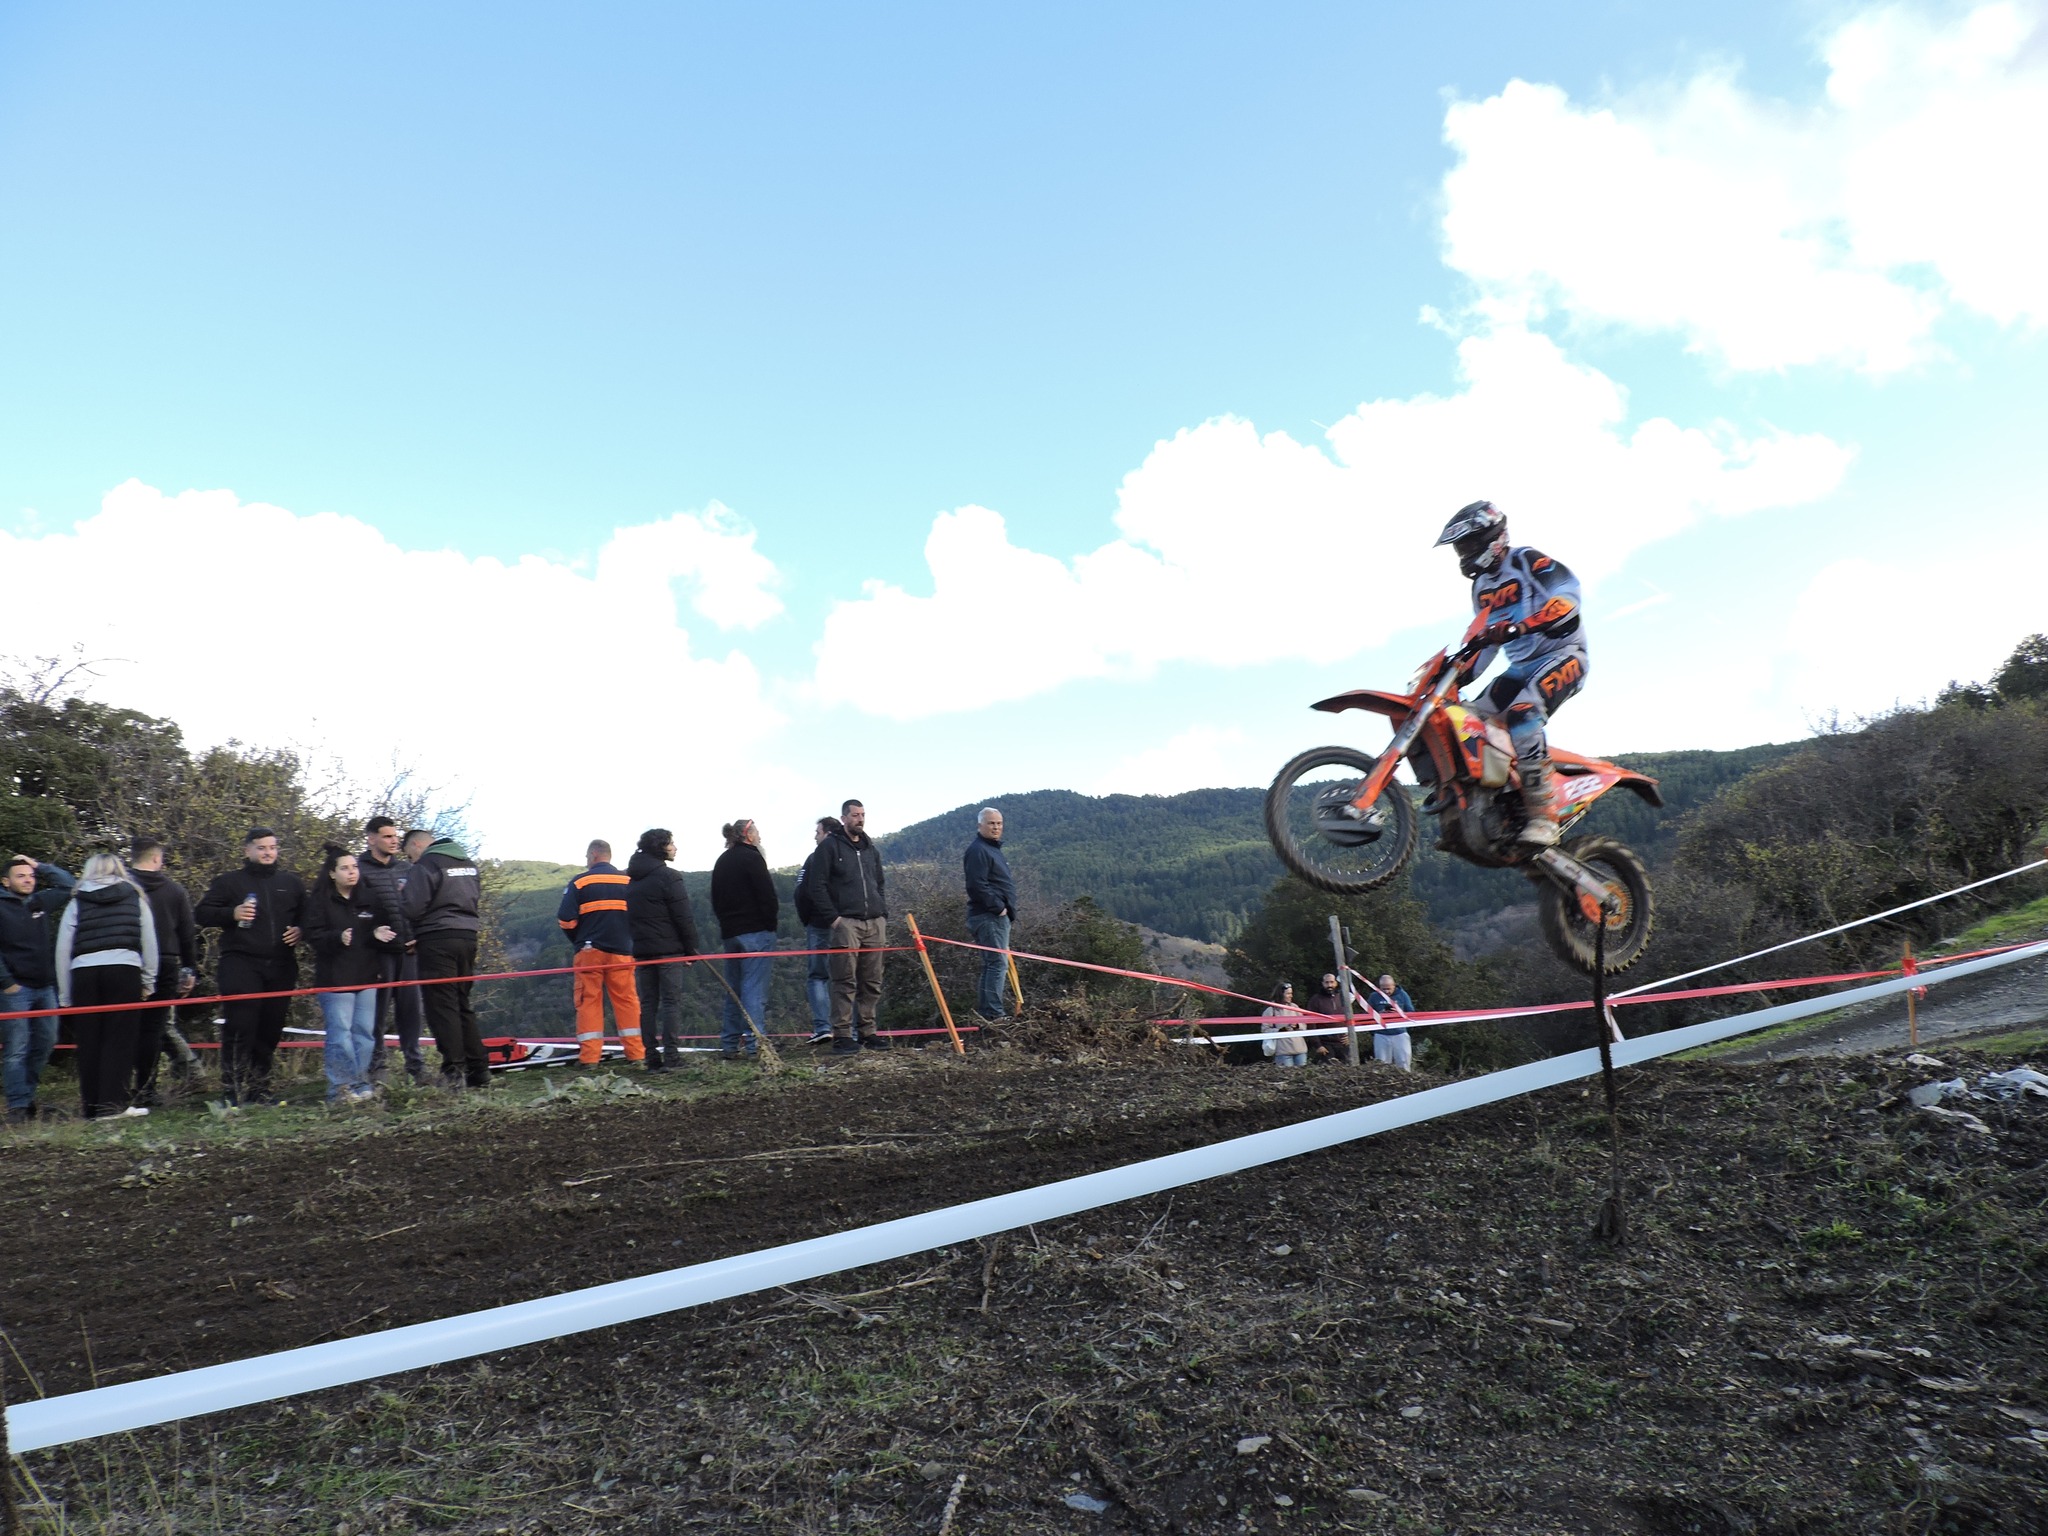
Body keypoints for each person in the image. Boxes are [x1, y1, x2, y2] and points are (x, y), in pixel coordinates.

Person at [1436, 500, 1586, 846]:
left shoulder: (1527, 560)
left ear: (1493, 538)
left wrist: (1520, 627)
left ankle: (1543, 814)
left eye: (1468, 544)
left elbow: (1568, 599)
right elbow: (1486, 644)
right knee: (1463, 721)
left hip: (1564, 655)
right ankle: (1489, 806)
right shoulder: (1481, 587)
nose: (1464, 554)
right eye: (1460, 548)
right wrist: (1453, 675)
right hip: (1520, 670)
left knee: (1523, 714)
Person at [195, 827, 306, 1105]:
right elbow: (202, 913)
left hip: (281, 964)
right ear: (247, 850)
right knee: (241, 1024)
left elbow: (310, 915)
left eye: (272, 847)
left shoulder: (291, 882)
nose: (268, 853)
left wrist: (301, 930)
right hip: (241, 961)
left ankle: (259, 1089)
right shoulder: (229, 882)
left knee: (271, 1027)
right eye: (261, 847)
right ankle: (232, 1090)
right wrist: (231, 913)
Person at [54, 852, 159, 1119]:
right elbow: (149, 941)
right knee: (120, 1038)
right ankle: (112, 1105)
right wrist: (148, 980)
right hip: (124, 969)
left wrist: (65, 994)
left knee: (89, 1040)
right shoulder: (134, 896)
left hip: (84, 972)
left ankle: (91, 1107)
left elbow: (63, 948)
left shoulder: (77, 900)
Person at [302, 844, 402, 1101]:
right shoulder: (319, 901)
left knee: (365, 1034)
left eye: (354, 867)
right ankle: (340, 1088)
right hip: (335, 979)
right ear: (332, 873)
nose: (352, 872)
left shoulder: (369, 898)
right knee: (341, 1035)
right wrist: (337, 937)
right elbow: (312, 936)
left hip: (367, 976)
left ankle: (360, 1083)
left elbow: (382, 928)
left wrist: (378, 933)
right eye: (345, 868)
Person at [401, 829, 489, 1089]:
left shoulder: (427, 864)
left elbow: (412, 907)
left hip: (436, 940)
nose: (411, 861)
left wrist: (404, 893)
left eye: (409, 855)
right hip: (468, 937)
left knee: (442, 1006)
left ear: (417, 845)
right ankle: (479, 1071)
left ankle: (453, 1072)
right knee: (462, 1003)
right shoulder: (467, 863)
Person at [803, 799, 888, 1055]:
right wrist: (834, 919)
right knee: (845, 980)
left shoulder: (871, 848)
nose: (860, 819)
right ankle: (842, 1034)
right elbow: (816, 886)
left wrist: (882, 913)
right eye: (854, 815)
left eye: (862, 815)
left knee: (872, 981)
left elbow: (879, 882)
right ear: (843, 818)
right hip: (846, 923)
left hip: (874, 922)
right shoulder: (829, 847)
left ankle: (867, 1032)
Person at [1, 855, 74, 1123]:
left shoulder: (39, 902)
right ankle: (18, 1106)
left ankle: (27, 1097)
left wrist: (39, 865)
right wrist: (7, 982)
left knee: (46, 1042)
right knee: (16, 1048)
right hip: (15, 989)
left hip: (45, 986)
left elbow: (68, 886)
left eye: (30, 876)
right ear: (5, 882)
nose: (28, 880)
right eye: (21, 876)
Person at [127, 837, 199, 1104]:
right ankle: (146, 1088)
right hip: (166, 961)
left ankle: (118, 1086)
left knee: (124, 1024)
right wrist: (189, 968)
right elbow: (187, 934)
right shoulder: (174, 891)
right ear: (157, 858)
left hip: (128, 960)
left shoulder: (123, 887)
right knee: (154, 1028)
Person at [558, 840, 642, 1067]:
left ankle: (590, 1059)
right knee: (627, 1001)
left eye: (587, 856)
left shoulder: (580, 882)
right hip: (623, 951)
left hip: (589, 950)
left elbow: (565, 920)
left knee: (589, 1001)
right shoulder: (628, 881)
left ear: (594, 854)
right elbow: (640, 917)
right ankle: (636, 1055)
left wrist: (578, 940)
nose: (586, 860)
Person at [357, 815, 427, 1085]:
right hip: (376, 955)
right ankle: (377, 1069)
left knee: (411, 1012)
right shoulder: (358, 869)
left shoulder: (408, 869)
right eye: (387, 836)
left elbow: (421, 906)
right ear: (371, 839)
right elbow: (352, 913)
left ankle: (416, 1067)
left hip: (408, 953)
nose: (394, 841)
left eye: (395, 836)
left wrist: (418, 936)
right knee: (376, 1014)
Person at [625, 828, 701, 1072]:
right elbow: (683, 917)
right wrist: (691, 950)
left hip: (642, 951)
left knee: (648, 1004)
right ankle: (672, 1057)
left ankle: (651, 1058)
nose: (675, 847)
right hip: (669, 950)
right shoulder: (669, 877)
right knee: (671, 1003)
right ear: (660, 848)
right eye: (671, 843)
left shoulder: (633, 880)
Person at [709, 820, 778, 1060]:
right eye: (757, 831)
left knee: (734, 990)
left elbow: (715, 899)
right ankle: (755, 1045)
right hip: (756, 932)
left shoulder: (722, 860)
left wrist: (726, 926)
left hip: (730, 934)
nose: (760, 836)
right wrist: (770, 926)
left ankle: (729, 1044)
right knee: (753, 990)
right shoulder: (753, 858)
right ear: (748, 835)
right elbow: (767, 895)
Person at [963, 807, 1017, 1023]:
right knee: (997, 964)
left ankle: (988, 1013)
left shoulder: (991, 849)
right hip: (989, 917)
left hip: (993, 917)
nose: (996, 827)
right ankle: (994, 1014)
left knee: (992, 964)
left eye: (999, 823)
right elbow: (976, 885)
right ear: (980, 825)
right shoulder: (978, 850)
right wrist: (998, 907)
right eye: (991, 823)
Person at [792, 817, 840, 1044]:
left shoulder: (814, 859)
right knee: (847, 977)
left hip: (819, 924)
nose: (815, 836)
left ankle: (823, 1027)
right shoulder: (849, 857)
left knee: (818, 976)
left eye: (817, 832)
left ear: (827, 833)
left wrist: (808, 919)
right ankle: (850, 1028)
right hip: (848, 925)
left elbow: (801, 891)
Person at [1366, 972, 1415, 1071]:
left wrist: (1399, 1012)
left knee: (1404, 1062)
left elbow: (1411, 1012)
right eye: (1383, 989)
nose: (1386, 991)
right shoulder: (1374, 996)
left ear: (1394, 986)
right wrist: (1380, 1014)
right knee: (1381, 1063)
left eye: (1389, 988)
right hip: (1381, 1033)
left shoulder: (1402, 995)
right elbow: (1367, 1014)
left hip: (1400, 1033)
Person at [1261, 982, 1309, 1068]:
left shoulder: (1295, 1007)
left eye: (1291, 993)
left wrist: (1297, 1025)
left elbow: (1304, 1026)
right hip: (1283, 1052)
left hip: (1300, 1050)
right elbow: (1265, 1030)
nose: (1291, 996)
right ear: (1281, 994)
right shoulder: (1271, 1010)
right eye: (1288, 994)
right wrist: (1281, 1030)